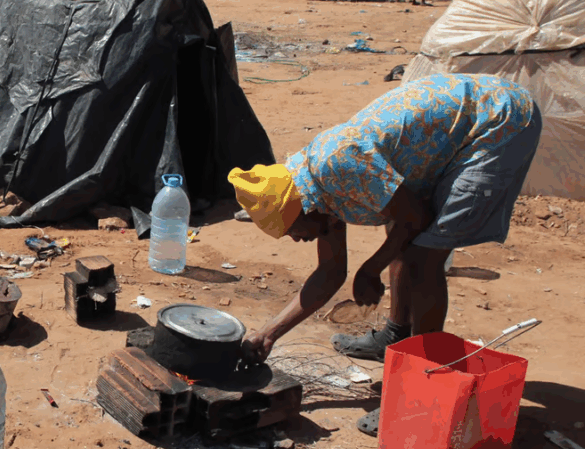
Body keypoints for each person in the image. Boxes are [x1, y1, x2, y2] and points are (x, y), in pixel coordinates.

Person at [228, 74, 542, 429]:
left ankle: (422, 390)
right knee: (400, 231)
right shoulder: (312, 193)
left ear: (304, 209)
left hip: (498, 121)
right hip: (453, 129)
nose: (297, 240)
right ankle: (396, 336)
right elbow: (330, 273)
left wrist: (369, 269)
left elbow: (415, 216)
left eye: (292, 231)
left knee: (424, 257)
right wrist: (268, 333)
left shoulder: (338, 166)